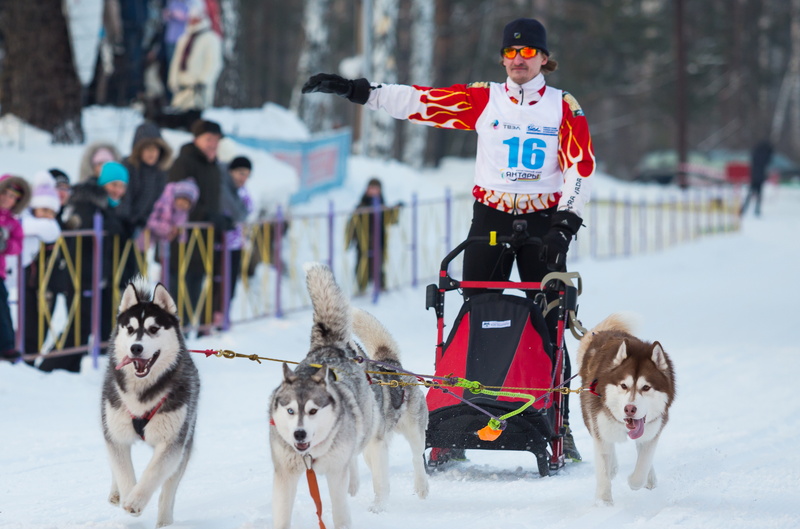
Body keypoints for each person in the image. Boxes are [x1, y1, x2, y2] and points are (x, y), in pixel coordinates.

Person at [303, 17, 595, 461]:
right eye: (511, 53)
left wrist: (565, 224)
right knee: (474, 315)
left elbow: (581, 166)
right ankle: (456, 420)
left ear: (544, 59)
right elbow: (421, 102)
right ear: (502, 58)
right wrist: (358, 90)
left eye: (528, 53)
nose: (519, 61)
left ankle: (560, 426)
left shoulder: (562, 106)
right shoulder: (485, 99)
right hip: (491, 218)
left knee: (550, 325)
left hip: (544, 224)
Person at [39, 162, 132, 372]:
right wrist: (115, 226)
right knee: (78, 324)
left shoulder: (107, 206)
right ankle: (48, 368)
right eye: (114, 184)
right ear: (103, 183)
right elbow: (88, 229)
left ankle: (69, 369)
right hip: (80, 272)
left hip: (95, 273)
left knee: (84, 326)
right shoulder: (87, 202)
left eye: (122, 186)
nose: (118, 190)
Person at [167, 119, 225, 328]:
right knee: (176, 287)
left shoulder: (214, 166)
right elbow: (179, 201)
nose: (213, 144)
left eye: (216, 140)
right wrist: (209, 216)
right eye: (208, 139)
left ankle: (190, 329)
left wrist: (219, 217)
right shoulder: (184, 163)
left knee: (195, 284)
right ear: (196, 139)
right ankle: (173, 332)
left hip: (203, 239)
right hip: (181, 238)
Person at [19, 172, 63, 358]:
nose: (47, 216)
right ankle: (26, 358)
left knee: (43, 326)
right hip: (30, 284)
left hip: (48, 285)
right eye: (44, 210)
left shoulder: (53, 227)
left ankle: (33, 357)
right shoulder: (28, 224)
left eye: (52, 212)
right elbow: (45, 230)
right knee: (28, 325)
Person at [213, 155, 253, 329]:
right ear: (231, 171)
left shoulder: (238, 190)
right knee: (219, 283)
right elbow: (238, 213)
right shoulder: (223, 187)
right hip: (220, 243)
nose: (243, 178)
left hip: (235, 243)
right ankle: (214, 319)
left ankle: (224, 318)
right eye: (240, 173)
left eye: (247, 175)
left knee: (230, 284)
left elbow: (248, 209)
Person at [166, 0, 223, 115]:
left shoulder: (211, 39)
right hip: (181, 92)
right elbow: (175, 63)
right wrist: (173, 81)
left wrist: (203, 81)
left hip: (198, 93)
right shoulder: (183, 39)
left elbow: (214, 63)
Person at [345, 178, 401, 293]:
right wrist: (350, 239)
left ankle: (380, 285)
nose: (373, 191)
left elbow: (390, 219)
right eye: (371, 188)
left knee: (379, 263)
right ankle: (362, 286)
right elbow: (352, 223)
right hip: (363, 240)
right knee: (362, 263)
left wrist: (396, 210)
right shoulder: (361, 205)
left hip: (378, 240)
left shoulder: (381, 205)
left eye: (376, 188)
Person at [0, 175, 31, 362]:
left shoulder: (12, 222)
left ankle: (7, 346)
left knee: (2, 306)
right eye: (5, 193)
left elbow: (17, 245)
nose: (8, 199)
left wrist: (4, 244)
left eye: (13, 197)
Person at [740, 139, 773, 217]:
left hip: (754, 175)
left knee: (750, 193)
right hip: (760, 176)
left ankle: (745, 208)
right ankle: (756, 210)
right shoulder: (766, 155)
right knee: (758, 193)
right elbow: (767, 163)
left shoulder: (756, 153)